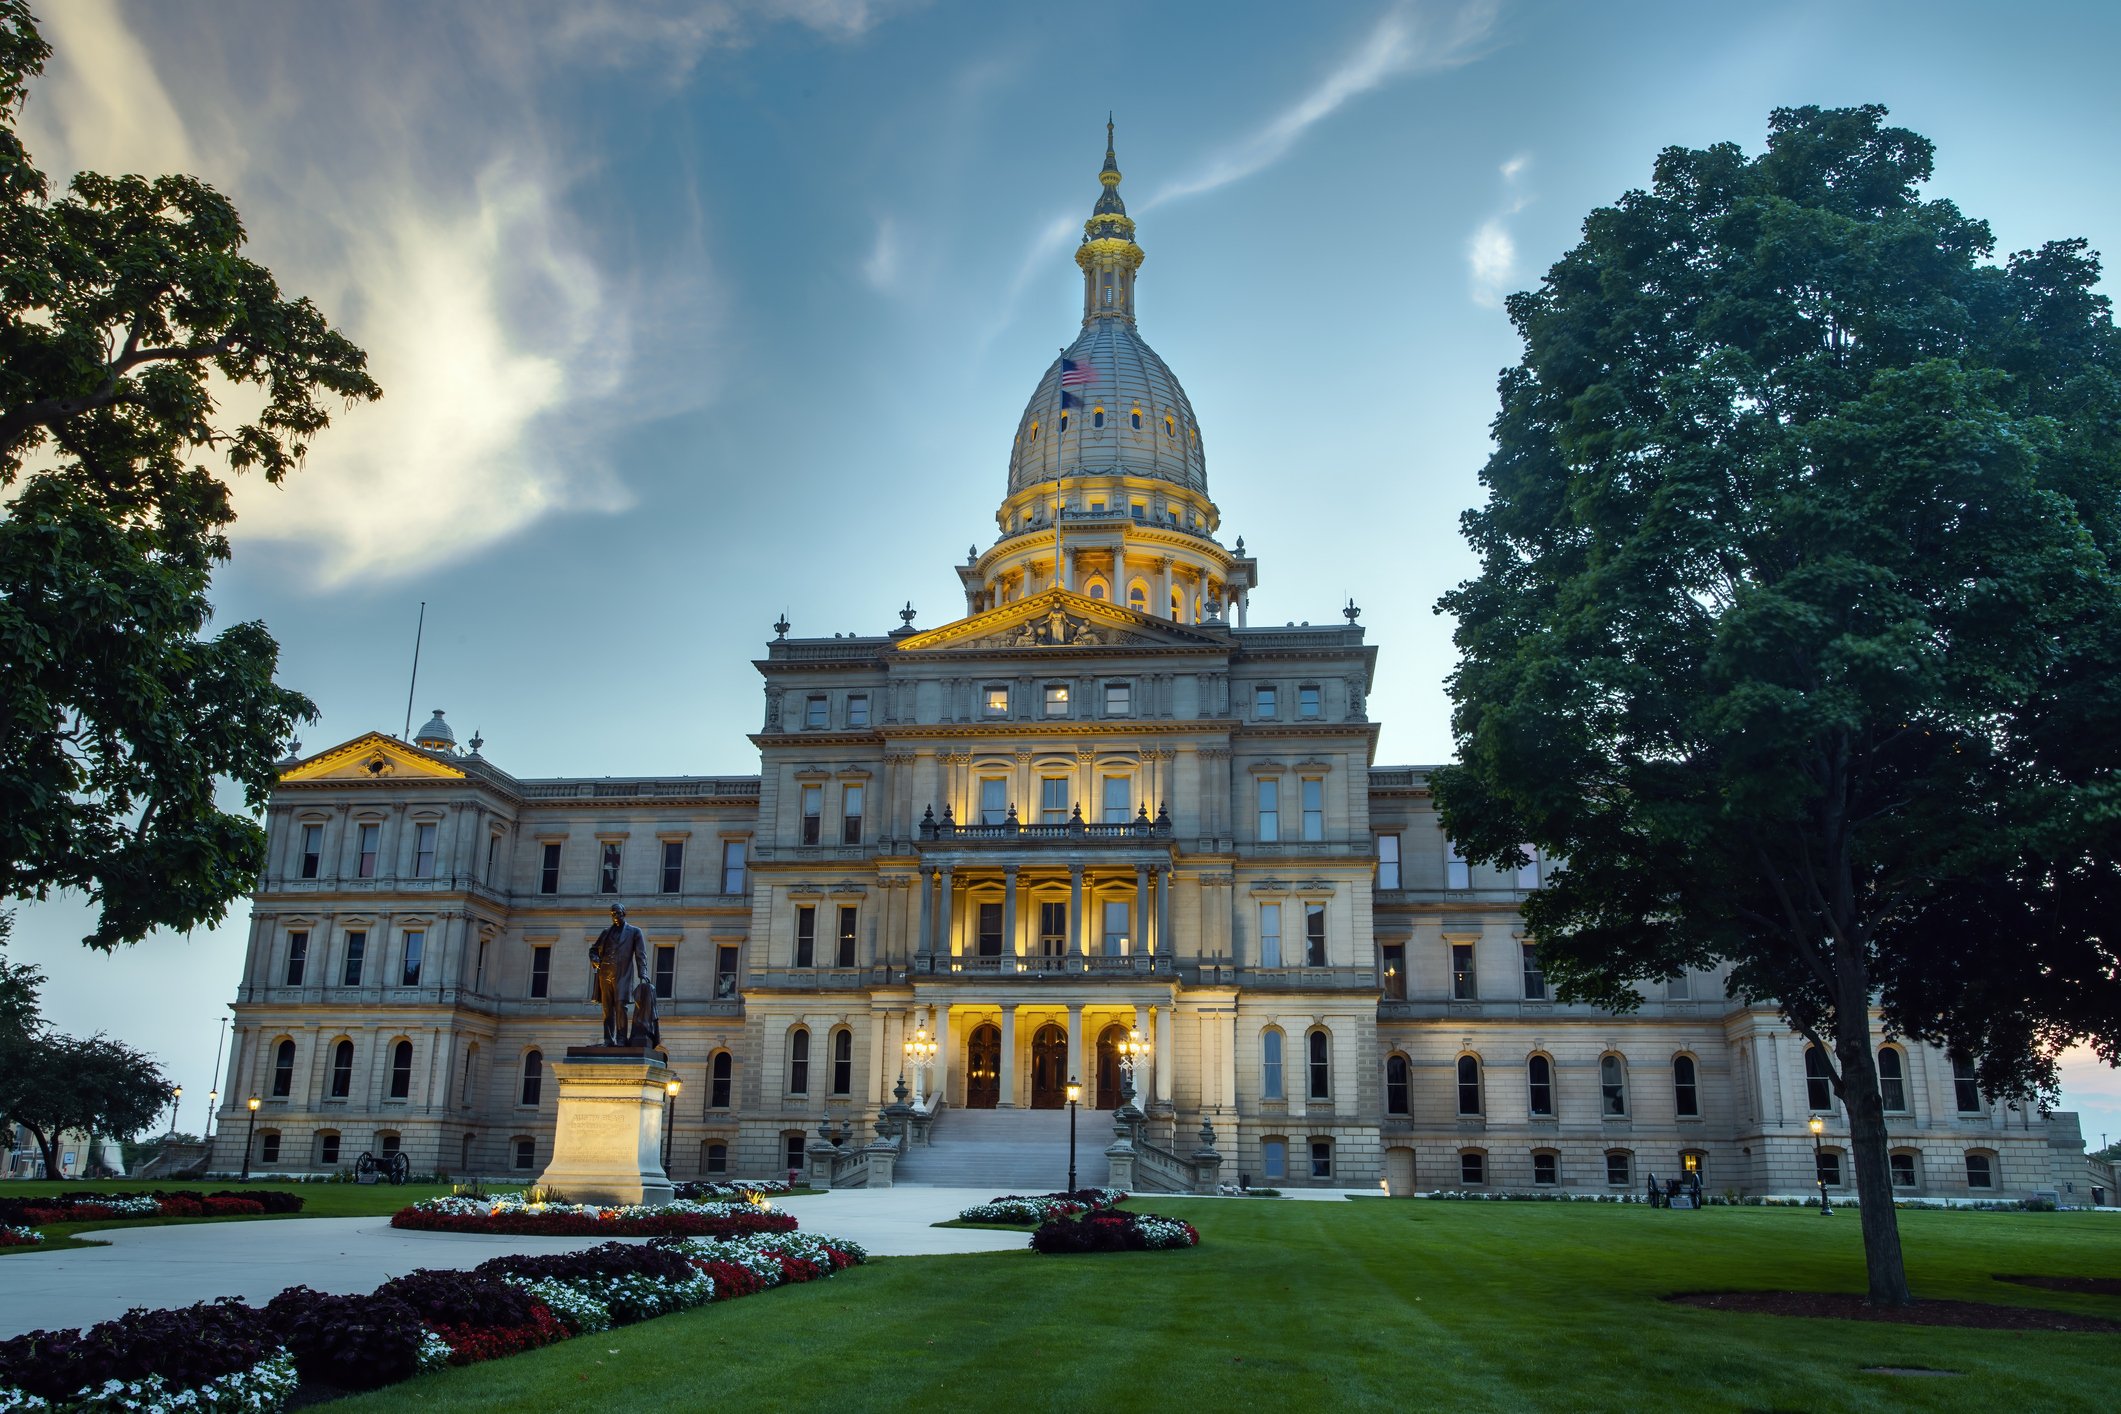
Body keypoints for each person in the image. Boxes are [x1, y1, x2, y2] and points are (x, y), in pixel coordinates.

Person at [589, 903, 655, 1046]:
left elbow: (640, 954)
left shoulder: (634, 932)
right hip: (605, 973)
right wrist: (595, 960)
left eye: (618, 913)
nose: (615, 916)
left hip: (623, 973)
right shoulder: (606, 932)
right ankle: (608, 1039)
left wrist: (642, 973)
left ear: (623, 913)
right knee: (607, 1008)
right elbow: (593, 950)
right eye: (613, 914)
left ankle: (621, 1039)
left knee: (620, 1006)